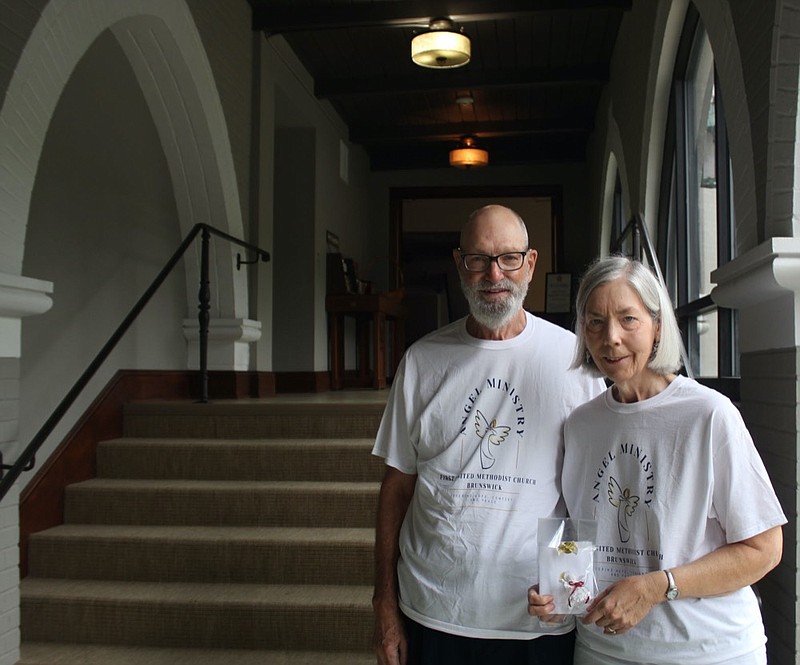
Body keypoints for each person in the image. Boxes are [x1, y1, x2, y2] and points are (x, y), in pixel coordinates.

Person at [371, 204, 605, 665]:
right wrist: (383, 601)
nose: (494, 274)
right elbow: (396, 487)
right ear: (460, 265)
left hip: (535, 623)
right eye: (478, 259)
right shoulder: (422, 361)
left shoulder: (574, 362)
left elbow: (587, 493)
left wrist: (570, 585)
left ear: (530, 264)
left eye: (509, 258)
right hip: (433, 613)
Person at [527, 256, 786, 665]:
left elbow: (765, 548)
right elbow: (577, 529)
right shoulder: (580, 425)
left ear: (657, 325)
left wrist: (656, 586)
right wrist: (561, 593)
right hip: (603, 649)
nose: (610, 337)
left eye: (628, 319)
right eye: (595, 322)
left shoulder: (708, 415)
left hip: (707, 651)